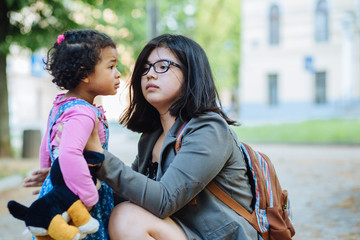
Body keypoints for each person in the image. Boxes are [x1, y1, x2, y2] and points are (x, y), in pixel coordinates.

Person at [26, 33, 261, 240]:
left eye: (162, 66)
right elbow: (133, 193)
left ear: (191, 73)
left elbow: (163, 201)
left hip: (217, 236)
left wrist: (99, 156)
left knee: (126, 219)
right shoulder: (152, 136)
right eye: (145, 68)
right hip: (175, 230)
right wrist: (75, 172)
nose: (150, 75)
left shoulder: (209, 130)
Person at [24, 29, 121, 240]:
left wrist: (48, 174)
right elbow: (69, 153)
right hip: (78, 196)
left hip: (61, 187)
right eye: (111, 66)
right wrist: (89, 197)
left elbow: (47, 145)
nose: (118, 73)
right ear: (84, 74)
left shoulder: (61, 105)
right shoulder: (83, 112)